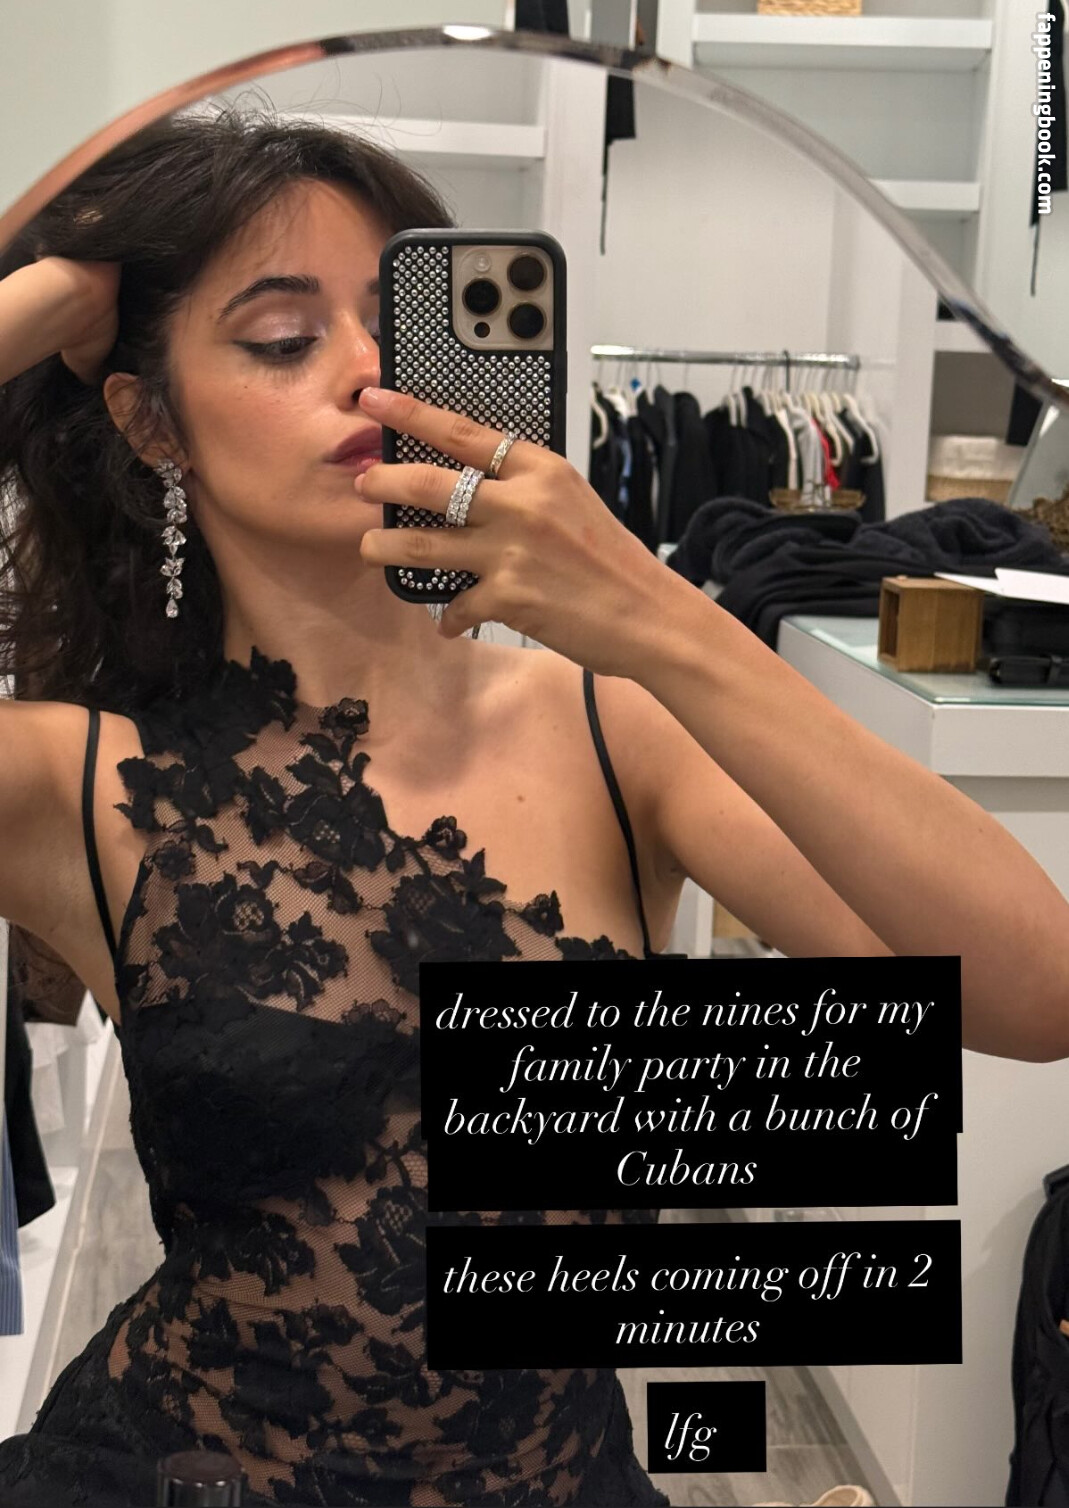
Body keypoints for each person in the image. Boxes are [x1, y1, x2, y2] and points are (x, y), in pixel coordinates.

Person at [0, 105, 1066, 1508]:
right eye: (283, 337)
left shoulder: (614, 731)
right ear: (152, 422)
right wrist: (47, 293)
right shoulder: (76, 780)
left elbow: (1037, 995)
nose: (369, 370)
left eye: (404, 325)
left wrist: (663, 621)